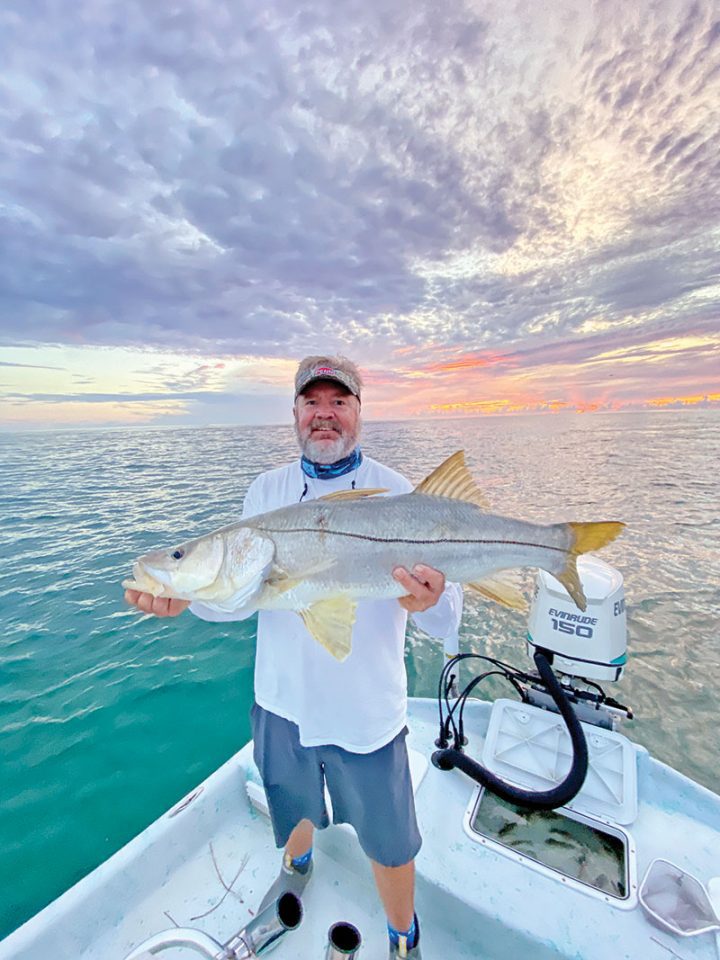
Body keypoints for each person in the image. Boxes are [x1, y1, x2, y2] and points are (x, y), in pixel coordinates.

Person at [125, 355, 463, 959]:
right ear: (296, 414)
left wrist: (427, 602)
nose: (324, 414)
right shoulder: (267, 491)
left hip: (366, 714)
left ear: (359, 411)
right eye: (313, 402)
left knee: (389, 842)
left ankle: (402, 936)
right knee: (291, 807)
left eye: (339, 402)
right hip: (282, 703)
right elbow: (242, 592)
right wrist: (189, 599)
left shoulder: (401, 490)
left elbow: (447, 617)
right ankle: (296, 872)